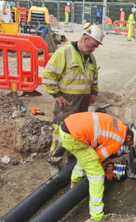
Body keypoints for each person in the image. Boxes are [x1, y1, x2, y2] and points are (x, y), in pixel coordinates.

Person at [59, 113, 136, 221]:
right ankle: (97, 216)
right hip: (73, 137)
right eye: (130, 143)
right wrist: (106, 170)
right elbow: (98, 158)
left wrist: (107, 164)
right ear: (129, 137)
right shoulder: (118, 141)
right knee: (97, 175)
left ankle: (74, 182)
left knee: (86, 158)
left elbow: (95, 154)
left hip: (70, 125)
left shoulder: (120, 126)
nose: (128, 145)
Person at [42, 25, 103, 175]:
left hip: (82, 104)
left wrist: (94, 92)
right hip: (66, 104)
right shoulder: (64, 52)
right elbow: (48, 76)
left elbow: (94, 78)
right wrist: (57, 95)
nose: (94, 49)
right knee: (60, 134)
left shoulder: (91, 59)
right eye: (93, 45)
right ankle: (54, 161)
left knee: (77, 134)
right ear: (86, 39)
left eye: (96, 47)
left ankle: (71, 159)